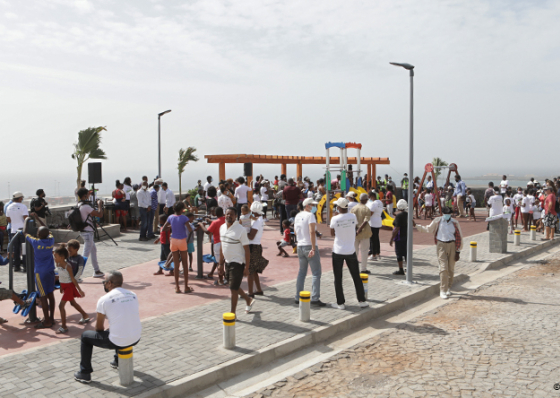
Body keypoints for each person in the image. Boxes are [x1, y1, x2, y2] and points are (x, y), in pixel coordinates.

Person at [74, 270, 141, 384]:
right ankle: (117, 360)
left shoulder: (104, 300)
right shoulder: (132, 295)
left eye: (104, 282)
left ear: (110, 283)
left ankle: (85, 373)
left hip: (119, 340)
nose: (104, 284)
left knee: (85, 337)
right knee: (116, 328)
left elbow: (98, 328)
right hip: (136, 337)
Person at [329, 197, 369, 310]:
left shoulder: (335, 219)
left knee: (338, 277)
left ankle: (340, 303)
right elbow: (355, 227)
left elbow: (332, 233)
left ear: (339, 207)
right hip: (350, 250)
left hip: (338, 251)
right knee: (356, 276)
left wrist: (336, 217)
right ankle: (362, 300)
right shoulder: (353, 216)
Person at [416, 206, 463, 299]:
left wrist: (458, 251)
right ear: (442, 214)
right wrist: (417, 226)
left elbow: (459, 236)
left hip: (452, 245)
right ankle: (443, 290)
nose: (447, 216)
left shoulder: (455, 223)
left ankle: (448, 287)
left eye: (449, 214)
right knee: (443, 268)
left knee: (451, 269)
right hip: (441, 245)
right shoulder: (438, 221)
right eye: (445, 214)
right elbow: (428, 229)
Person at [219, 207, 255, 315]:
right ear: (225, 215)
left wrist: (247, 267)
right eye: (227, 214)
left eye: (231, 214)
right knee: (232, 285)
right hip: (227, 261)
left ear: (236, 216)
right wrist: (220, 264)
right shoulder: (222, 228)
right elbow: (222, 247)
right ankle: (248, 300)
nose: (229, 216)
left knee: (233, 289)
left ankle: (232, 314)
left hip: (238, 262)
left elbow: (247, 250)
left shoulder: (241, 230)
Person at [294, 198, 326, 306]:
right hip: (309, 245)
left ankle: (297, 296)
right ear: (307, 205)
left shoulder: (298, 215)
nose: (314, 207)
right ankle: (315, 298)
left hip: (300, 246)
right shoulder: (310, 216)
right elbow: (312, 231)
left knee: (302, 272)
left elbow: (295, 231)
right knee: (316, 273)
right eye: (312, 205)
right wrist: (313, 247)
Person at [25, 225, 56, 329]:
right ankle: (51, 318)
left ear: (38, 235)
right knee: (51, 294)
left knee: (43, 296)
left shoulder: (36, 242)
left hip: (40, 273)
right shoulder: (51, 240)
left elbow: (25, 233)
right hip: (50, 271)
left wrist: (26, 221)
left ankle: (47, 321)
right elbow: (49, 231)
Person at [54, 244, 88, 334]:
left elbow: (73, 279)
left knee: (61, 306)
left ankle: (64, 326)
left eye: (55, 256)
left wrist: (79, 290)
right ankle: (85, 315)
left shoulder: (67, 266)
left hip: (69, 286)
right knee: (73, 303)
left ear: (61, 257)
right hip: (64, 286)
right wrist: (61, 286)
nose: (54, 258)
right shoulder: (58, 264)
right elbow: (61, 276)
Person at [162, 202, 194, 293]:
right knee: (185, 264)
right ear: (181, 210)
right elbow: (190, 230)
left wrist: (171, 226)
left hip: (173, 241)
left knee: (176, 265)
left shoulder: (170, 217)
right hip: (182, 241)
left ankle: (177, 287)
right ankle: (186, 287)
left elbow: (164, 228)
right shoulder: (184, 218)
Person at [75, 188, 105, 278]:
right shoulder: (86, 207)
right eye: (88, 194)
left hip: (85, 232)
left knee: (93, 250)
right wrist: (99, 205)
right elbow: (100, 214)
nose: (89, 196)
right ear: (84, 196)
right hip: (88, 233)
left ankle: (96, 270)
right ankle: (77, 275)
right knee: (85, 255)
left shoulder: (79, 205)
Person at [247, 202, 269, 297]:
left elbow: (251, 236)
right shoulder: (259, 219)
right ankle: (259, 289)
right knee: (254, 270)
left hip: (253, 246)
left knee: (250, 270)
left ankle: (250, 292)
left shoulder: (256, 221)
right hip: (256, 246)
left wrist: (242, 232)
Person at [199, 207, 226, 281]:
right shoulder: (225, 219)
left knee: (218, 263)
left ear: (214, 214)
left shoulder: (214, 222)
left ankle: (221, 280)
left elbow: (207, 231)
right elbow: (219, 222)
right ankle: (225, 277)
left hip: (217, 243)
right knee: (223, 261)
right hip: (226, 243)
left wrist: (201, 225)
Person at [6, 191, 29, 272]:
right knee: (24, 248)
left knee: (16, 249)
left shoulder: (9, 207)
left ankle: (17, 266)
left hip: (13, 230)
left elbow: (8, 220)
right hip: (22, 230)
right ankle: (26, 266)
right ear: (20, 198)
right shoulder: (23, 207)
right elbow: (26, 218)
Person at [351, 193, 372, 273]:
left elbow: (351, 220)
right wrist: (360, 229)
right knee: (364, 251)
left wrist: (356, 229)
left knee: (354, 251)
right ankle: (363, 269)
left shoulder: (353, 208)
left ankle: (354, 268)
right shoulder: (366, 209)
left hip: (354, 233)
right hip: (365, 233)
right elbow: (366, 220)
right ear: (366, 200)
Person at [389, 200, 411, 276]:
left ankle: (401, 269)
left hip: (399, 236)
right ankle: (408, 268)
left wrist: (391, 238)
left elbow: (397, 228)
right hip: (407, 235)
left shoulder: (399, 216)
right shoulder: (408, 214)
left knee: (399, 253)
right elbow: (413, 223)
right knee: (406, 253)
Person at [367, 191, 383, 261]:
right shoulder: (380, 202)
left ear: (371, 196)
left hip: (373, 222)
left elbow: (371, 212)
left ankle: (373, 255)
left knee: (372, 239)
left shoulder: (374, 203)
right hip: (378, 221)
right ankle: (378, 253)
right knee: (376, 238)